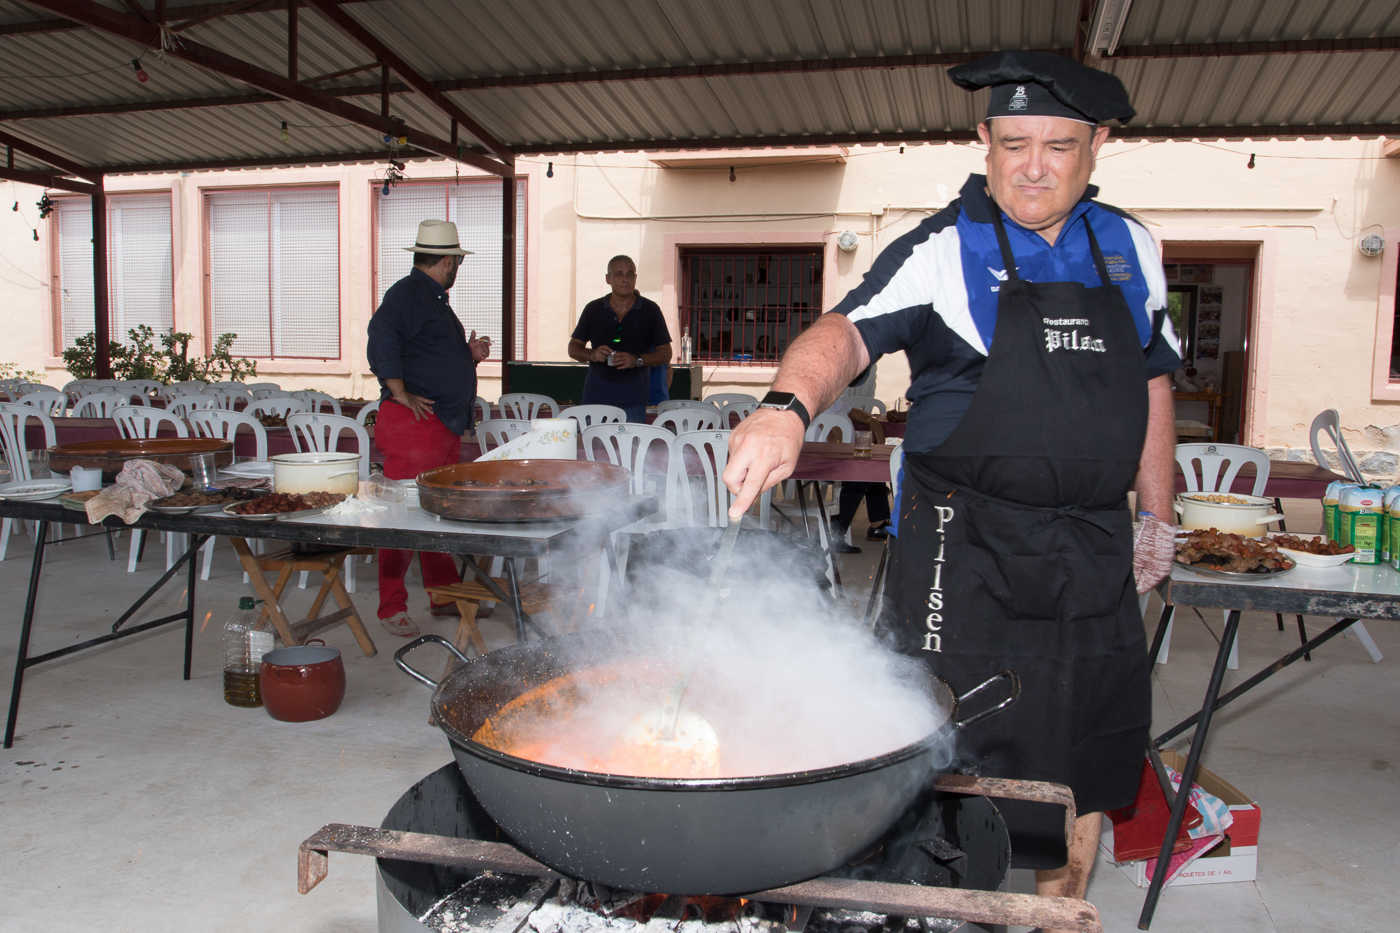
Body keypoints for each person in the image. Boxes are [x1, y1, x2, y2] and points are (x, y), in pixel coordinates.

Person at [722, 51, 1181, 918]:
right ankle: (928, 908)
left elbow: (1153, 380)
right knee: (936, 747)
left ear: (1097, 146)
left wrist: (1157, 511)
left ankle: (1058, 912)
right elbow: (844, 332)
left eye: (1058, 145)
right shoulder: (941, 247)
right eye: (1013, 144)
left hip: (1089, 545)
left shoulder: (1133, 247)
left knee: (1081, 755)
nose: (1033, 166)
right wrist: (786, 405)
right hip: (960, 551)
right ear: (984, 141)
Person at [366, 219, 491, 637]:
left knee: (434, 512)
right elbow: (380, 335)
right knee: (402, 517)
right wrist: (398, 390)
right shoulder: (409, 293)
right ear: (448, 261)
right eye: (457, 260)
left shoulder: (433, 297)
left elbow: (426, 352)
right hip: (415, 423)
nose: (458, 266)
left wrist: (466, 355)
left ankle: (441, 592)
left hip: (438, 423)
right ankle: (391, 606)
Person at [567, 255, 672, 422]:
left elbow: (666, 354)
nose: (625, 279)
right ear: (608, 279)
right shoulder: (593, 309)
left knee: (630, 447)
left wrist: (637, 360)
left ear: (635, 278)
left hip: (634, 401)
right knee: (593, 447)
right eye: (619, 274)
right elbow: (573, 348)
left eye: (630, 274)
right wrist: (592, 355)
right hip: (595, 398)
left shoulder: (650, 310)